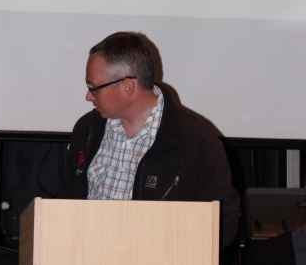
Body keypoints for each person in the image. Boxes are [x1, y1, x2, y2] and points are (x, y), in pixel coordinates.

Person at [63, 31, 239, 247]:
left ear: (128, 87)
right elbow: (65, 202)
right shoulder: (87, 129)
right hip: (85, 259)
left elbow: (223, 223)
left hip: (162, 264)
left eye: (93, 88)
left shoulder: (196, 139)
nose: (88, 96)